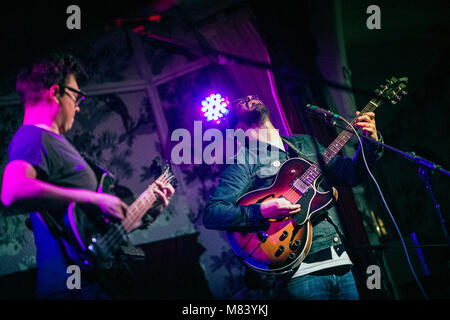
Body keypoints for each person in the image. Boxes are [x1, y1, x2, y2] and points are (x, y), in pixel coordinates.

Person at [0, 54, 175, 299]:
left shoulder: (56, 146)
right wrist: (94, 199)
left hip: (94, 284)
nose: (79, 106)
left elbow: (96, 235)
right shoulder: (33, 137)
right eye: (76, 96)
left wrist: (149, 208)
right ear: (55, 93)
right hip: (71, 289)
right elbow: (12, 191)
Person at [203, 95, 383, 300]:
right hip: (300, 275)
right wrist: (261, 211)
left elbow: (350, 174)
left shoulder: (305, 144)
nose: (250, 98)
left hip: (341, 262)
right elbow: (212, 214)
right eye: (242, 102)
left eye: (252, 96)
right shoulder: (243, 162)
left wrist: (370, 142)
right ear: (237, 129)